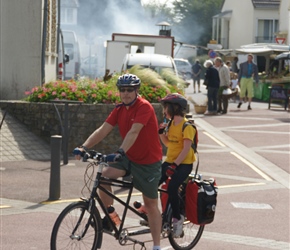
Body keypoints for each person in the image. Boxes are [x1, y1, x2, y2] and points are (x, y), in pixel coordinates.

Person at [74, 74, 163, 250]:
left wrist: (120, 151)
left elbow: (134, 132)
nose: (126, 93)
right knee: (104, 176)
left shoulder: (144, 107)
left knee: (151, 205)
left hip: (148, 162)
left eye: (130, 89)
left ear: (136, 90)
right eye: (122, 90)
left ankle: (156, 246)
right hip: (129, 159)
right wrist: (83, 146)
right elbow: (103, 130)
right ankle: (111, 216)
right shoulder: (120, 109)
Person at [158, 93, 196, 237]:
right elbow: (169, 143)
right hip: (171, 161)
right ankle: (153, 214)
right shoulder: (170, 124)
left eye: (166, 107)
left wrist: (174, 165)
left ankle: (177, 218)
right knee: (153, 183)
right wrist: (162, 134)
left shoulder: (187, 127)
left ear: (175, 108)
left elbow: (186, 149)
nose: (164, 111)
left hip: (184, 164)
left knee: (172, 187)